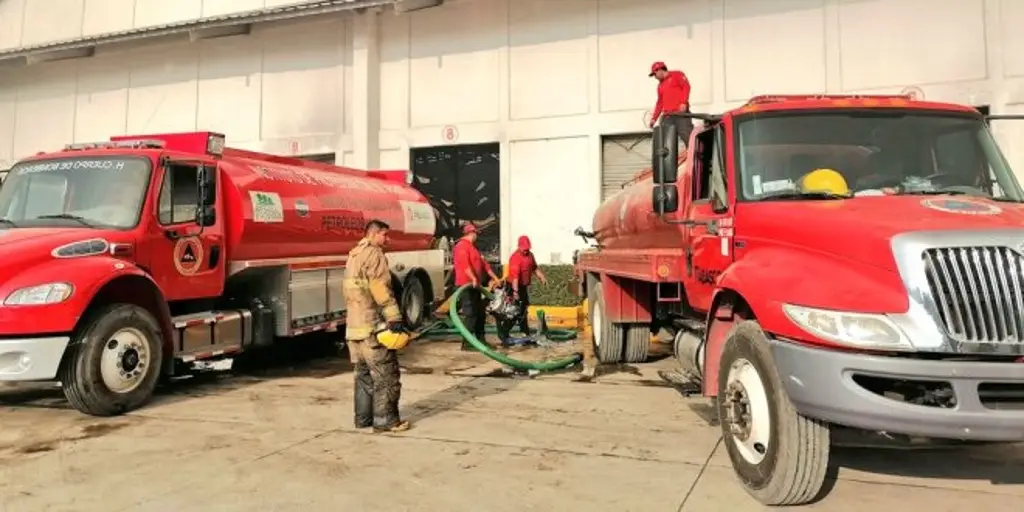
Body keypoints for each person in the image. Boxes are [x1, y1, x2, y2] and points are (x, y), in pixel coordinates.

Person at [343, 219, 410, 433]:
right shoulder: (374, 254)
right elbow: (380, 287)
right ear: (374, 234)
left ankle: (363, 419)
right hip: (372, 326)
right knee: (386, 374)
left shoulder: (353, 254)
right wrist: (394, 317)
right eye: (385, 235)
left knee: (362, 374)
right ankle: (386, 421)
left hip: (354, 327)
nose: (387, 239)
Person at [452, 223, 499, 351]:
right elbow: (465, 265)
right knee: (471, 314)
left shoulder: (473, 248)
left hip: (475, 286)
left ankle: (481, 341)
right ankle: (467, 343)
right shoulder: (461, 246)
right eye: (475, 234)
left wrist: (495, 278)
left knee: (480, 314)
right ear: (471, 233)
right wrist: (472, 278)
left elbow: (485, 265)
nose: (476, 236)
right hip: (465, 286)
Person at [507, 235, 546, 336]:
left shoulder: (530, 255)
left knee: (523, 310)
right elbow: (515, 278)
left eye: (527, 249)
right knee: (515, 311)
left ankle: (525, 332)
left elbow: (534, 268)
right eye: (524, 249)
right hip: (513, 286)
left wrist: (541, 277)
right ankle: (504, 332)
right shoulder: (515, 258)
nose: (525, 251)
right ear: (519, 247)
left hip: (522, 287)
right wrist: (515, 292)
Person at [647, 61, 694, 147]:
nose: (655, 77)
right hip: (668, 116)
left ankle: (696, 156)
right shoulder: (660, 86)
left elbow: (686, 86)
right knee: (666, 140)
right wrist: (654, 118)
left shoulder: (677, 74)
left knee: (687, 135)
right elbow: (660, 103)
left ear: (660, 69)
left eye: (655, 74)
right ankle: (669, 160)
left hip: (681, 114)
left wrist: (683, 102)